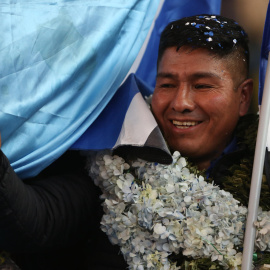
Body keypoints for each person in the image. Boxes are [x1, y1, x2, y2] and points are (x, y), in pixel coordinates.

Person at [0, 14, 267, 269]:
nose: (181, 102)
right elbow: (37, 221)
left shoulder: (263, 172)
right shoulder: (113, 154)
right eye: (167, 85)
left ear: (243, 97)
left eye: (202, 86)